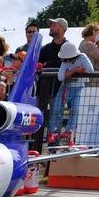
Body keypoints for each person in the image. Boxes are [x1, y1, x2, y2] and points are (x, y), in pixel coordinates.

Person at [47, 42, 93, 146]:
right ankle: (51, 132)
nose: (66, 61)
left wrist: (68, 73)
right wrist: (75, 70)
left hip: (79, 88)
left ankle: (69, 132)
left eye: (68, 59)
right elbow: (60, 77)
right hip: (66, 88)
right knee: (56, 108)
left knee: (75, 110)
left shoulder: (82, 57)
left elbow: (90, 70)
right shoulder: (65, 61)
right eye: (65, 59)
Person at [34, 18, 68, 150]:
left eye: (53, 25)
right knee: (39, 116)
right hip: (43, 89)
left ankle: (54, 150)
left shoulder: (69, 47)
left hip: (60, 89)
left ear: (61, 28)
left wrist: (49, 67)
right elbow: (37, 65)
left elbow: (71, 65)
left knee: (56, 117)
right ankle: (36, 148)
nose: (50, 27)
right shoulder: (46, 48)